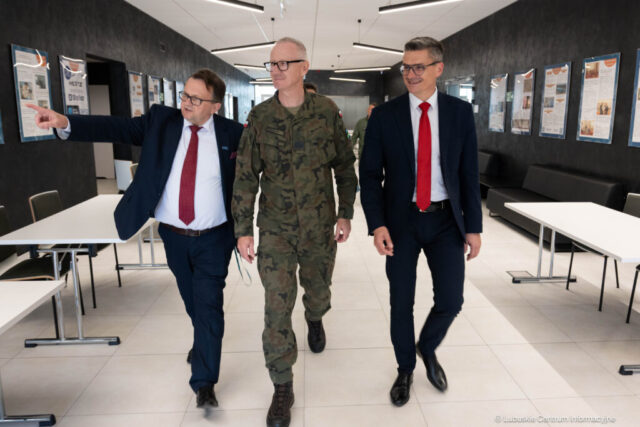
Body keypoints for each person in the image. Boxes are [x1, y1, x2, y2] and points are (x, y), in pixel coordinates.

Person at [27, 68, 244, 410]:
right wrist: (65, 122)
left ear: (215, 105)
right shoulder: (161, 121)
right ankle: (203, 338)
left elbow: (252, 178)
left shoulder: (233, 133)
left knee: (209, 305)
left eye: (196, 99)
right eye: (185, 95)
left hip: (214, 238)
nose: (186, 103)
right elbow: (115, 127)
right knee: (193, 300)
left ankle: (204, 382)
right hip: (173, 236)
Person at [232, 37, 357, 427]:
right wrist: (243, 229)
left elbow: (344, 167)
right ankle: (282, 385)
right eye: (271, 64)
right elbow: (245, 176)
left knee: (318, 291)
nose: (276, 70)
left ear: (305, 67)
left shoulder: (327, 112)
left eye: (284, 63)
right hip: (276, 231)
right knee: (276, 306)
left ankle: (315, 317)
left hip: (319, 227)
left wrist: (345, 213)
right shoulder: (260, 118)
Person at [359, 37, 482, 407]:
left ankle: (426, 346)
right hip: (401, 222)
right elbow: (370, 175)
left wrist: (473, 227)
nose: (410, 74)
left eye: (418, 67)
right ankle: (405, 368)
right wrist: (377, 224)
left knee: (451, 299)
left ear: (438, 68)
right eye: (406, 68)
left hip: (445, 222)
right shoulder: (385, 116)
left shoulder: (460, 113)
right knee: (401, 302)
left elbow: (468, 173)